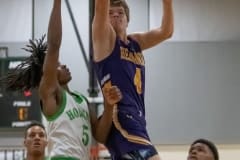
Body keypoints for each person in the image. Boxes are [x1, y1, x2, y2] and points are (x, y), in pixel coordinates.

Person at [0, 0, 122, 159]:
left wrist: (109, 105)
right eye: (58, 65)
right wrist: (57, 3)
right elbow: (54, 45)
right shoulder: (51, 93)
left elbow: (100, 135)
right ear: (48, 72)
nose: (63, 65)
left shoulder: (82, 100)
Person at [92, 0, 174, 159]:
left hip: (138, 120)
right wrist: (104, 9)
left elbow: (166, 31)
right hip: (121, 117)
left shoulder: (135, 42)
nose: (115, 14)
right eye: (110, 12)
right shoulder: (104, 40)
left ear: (127, 20)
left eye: (120, 12)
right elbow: (101, 5)